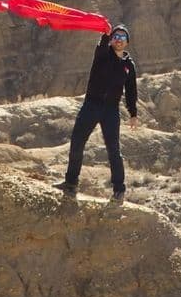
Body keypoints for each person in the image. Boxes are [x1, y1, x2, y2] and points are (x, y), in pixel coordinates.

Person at [54, 24, 138, 202]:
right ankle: (71, 182)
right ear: (111, 39)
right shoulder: (102, 54)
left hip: (111, 110)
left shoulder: (129, 65)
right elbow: (101, 46)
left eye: (122, 37)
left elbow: (131, 90)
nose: (118, 40)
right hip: (91, 105)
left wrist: (133, 113)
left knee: (114, 150)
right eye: (116, 37)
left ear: (127, 42)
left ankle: (119, 190)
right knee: (77, 142)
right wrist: (105, 35)